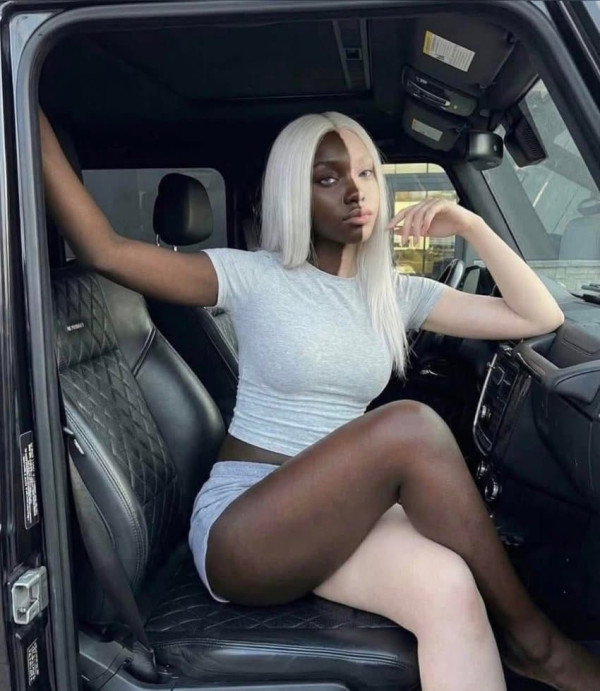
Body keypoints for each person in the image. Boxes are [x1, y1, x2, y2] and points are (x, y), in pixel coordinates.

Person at [40, 108, 600, 691]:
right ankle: (538, 644)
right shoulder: (252, 276)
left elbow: (539, 316)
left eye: (365, 173)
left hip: (338, 514)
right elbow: (104, 251)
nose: (355, 191)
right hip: (245, 527)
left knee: (449, 588)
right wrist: (26, 112)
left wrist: (471, 226)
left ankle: (530, 650)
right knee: (411, 426)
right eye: (327, 178)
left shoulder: (394, 294)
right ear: (294, 195)